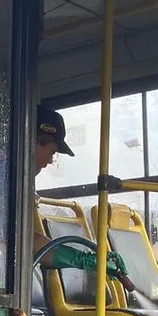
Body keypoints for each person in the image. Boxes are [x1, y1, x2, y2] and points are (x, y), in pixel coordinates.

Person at [33, 105, 127, 279]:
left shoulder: (16, 185)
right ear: (33, 141)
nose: (50, 161)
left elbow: (27, 242)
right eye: (51, 152)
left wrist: (84, 260)